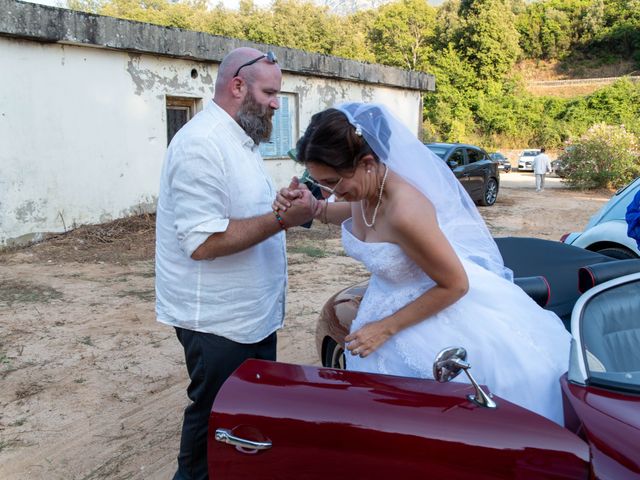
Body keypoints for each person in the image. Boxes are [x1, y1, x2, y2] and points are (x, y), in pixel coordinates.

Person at [275, 103, 571, 425]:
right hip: (383, 304)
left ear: (368, 163)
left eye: (332, 182)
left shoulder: (405, 211)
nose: (330, 191)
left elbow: (456, 284)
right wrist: (313, 207)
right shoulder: (367, 192)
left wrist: (385, 328)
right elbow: (344, 213)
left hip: (430, 314)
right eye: (321, 183)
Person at [155, 47, 315, 480]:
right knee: (213, 420)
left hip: (251, 315)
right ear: (237, 86)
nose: (277, 103)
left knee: (242, 420)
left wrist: (281, 204)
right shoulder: (201, 144)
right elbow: (203, 242)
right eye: (270, 92)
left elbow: (244, 213)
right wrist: (282, 219)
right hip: (216, 321)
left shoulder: (241, 140)